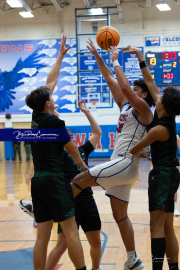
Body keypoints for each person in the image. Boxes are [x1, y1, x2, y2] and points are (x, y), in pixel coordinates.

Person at [71, 39, 155, 270]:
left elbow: (125, 87)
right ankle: (132, 260)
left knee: (79, 180)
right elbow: (110, 79)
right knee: (120, 216)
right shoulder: (126, 106)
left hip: (125, 162)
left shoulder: (145, 110)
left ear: (144, 96)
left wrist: (117, 61)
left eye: (137, 91)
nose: (129, 92)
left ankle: (42, 212)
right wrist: (99, 57)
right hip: (122, 167)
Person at [25, 35, 88, 270]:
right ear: (49, 104)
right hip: (54, 180)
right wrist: (81, 162)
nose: (53, 95)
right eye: (51, 97)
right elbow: (72, 148)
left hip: (38, 182)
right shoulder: (55, 122)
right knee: (71, 231)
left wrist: (60, 56)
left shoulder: (36, 116)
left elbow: (50, 81)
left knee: (42, 236)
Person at [20, 100, 102, 270]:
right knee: (62, 244)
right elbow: (41, 155)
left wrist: (86, 112)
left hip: (87, 203)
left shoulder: (82, 151)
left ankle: (96, 268)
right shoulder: (57, 157)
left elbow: (97, 132)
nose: (69, 135)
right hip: (65, 202)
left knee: (95, 241)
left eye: (70, 135)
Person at [124, 45, 180, 270]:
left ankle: (157, 267)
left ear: (163, 106)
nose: (157, 97)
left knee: (155, 226)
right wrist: (139, 56)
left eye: (160, 98)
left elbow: (133, 148)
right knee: (167, 227)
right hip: (170, 174)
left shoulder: (160, 129)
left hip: (163, 176)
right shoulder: (164, 111)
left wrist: (143, 151)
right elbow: (150, 81)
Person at [174, 135, 180, 216]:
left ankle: (175, 208)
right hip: (160, 165)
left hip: (172, 164)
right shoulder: (157, 133)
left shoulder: (176, 137)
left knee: (174, 188)